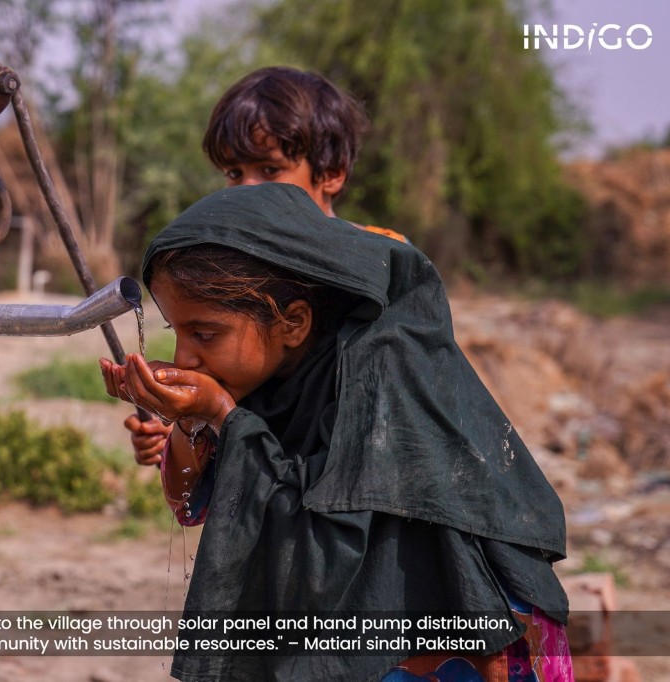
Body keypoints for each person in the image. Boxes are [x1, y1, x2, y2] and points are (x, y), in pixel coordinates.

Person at [99, 183, 573, 681]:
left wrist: (221, 413)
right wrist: (193, 418)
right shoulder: (270, 376)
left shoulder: (383, 367)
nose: (184, 359)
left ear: (295, 322)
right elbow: (194, 503)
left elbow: (330, 543)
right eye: (177, 332)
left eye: (206, 334)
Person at [126, 66, 408, 466]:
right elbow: (228, 383)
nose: (247, 191)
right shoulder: (231, 267)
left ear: (331, 175)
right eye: (234, 173)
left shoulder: (383, 263)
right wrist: (181, 428)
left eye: (270, 171)